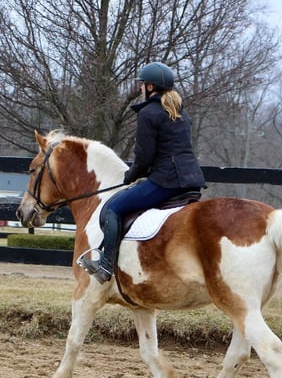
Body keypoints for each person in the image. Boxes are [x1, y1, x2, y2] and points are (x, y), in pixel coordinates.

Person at [79, 61, 206, 284]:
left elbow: (144, 157)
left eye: (142, 84)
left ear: (150, 87)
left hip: (165, 182)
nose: (140, 88)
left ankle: (106, 266)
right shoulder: (180, 113)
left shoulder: (149, 113)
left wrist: (130, 176)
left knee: (113, 209)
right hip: (191, 182)